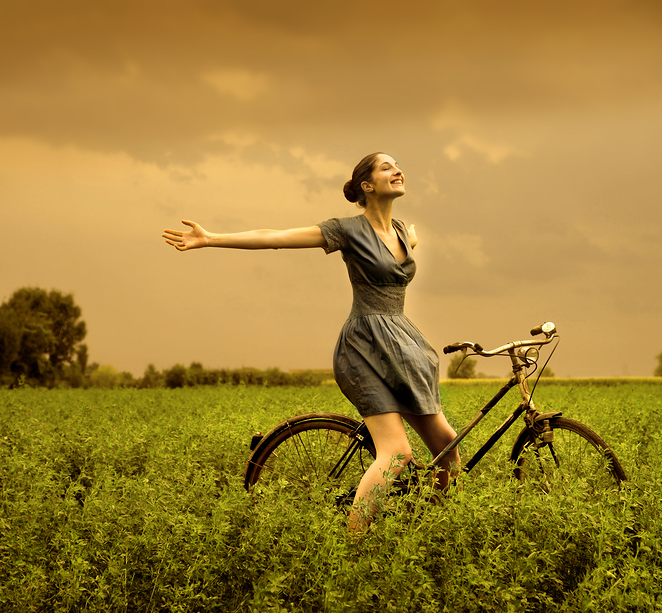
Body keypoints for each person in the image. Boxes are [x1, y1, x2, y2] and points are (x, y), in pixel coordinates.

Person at [162, 152, 460, 532]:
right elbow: (276, 238)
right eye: (387, 167)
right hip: (365, 346)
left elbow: (404, 252)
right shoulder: (348, 230)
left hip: (405, 344)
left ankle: (429, 526)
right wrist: (210, 238)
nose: (398, 170)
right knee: (396, 453)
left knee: (448, 446)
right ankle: (351, 549)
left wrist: (412, 238)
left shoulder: (402, 230)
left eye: (398, 164)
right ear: (367, 186)